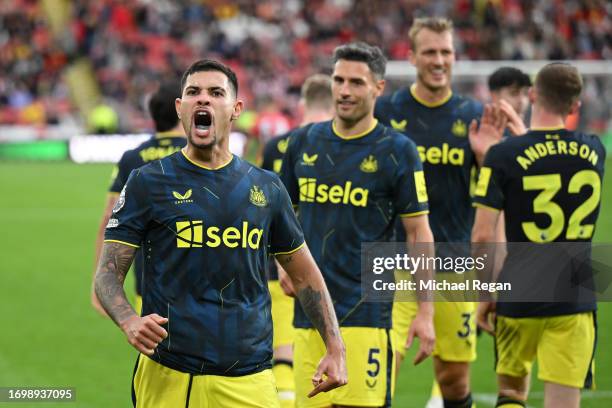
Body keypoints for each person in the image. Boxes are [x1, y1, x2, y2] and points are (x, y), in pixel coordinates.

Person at [94, 59, 347, 407]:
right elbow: (107, 274)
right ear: (180, 108)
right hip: (170, 374)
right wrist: (128, 320)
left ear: (235, 109)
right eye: (194, 92)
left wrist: (335, 347)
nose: (204, 100)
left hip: (249, 376)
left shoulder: (266, 188)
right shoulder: (148, 181)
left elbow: (305, 275)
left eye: (216, 93)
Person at [281, 42, 435, 408]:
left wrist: (426, 311)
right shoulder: (303, 142)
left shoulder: (398, 150)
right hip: (310, 313)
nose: (345, 91)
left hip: (366, 310)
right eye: (338, 80)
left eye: (356, 82)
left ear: (378, 88)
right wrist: (279, 264)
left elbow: (418, 232)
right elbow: (280, 219)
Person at [472, 62, 604, 408]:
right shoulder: (594, 150)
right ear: (575, 106)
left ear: (531, 95)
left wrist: (487, 291)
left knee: (512, 393)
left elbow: (483, 236)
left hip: (519, 295)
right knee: (563, 400)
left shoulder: (502, 156)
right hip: (575, 298)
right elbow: (550, 157)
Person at [375, 17, 487, 408]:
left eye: (446, 52)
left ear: (455, 57)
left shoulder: (474, 114)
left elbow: (495, 198)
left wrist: (487, 158)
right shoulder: (386, 113)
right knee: (380, 376)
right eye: (430, 52)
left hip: (456, 265)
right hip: (394, 264)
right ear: (412, 58)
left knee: (454, 382)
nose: (439, 60)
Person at [260, 73, 334, 408]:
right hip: (328, 260)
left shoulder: (277, 145)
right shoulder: (337, 145)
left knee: (286, 352)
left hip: (279, 259)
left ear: (303, 105)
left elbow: (262, 203)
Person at [91, 80, 186, 316]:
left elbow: (109, 220)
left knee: (153, 346)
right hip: (201, 283)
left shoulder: (132, 158)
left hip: (149, 282)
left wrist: (100, 283)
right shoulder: (201, 154)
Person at [488, 66, 531, 136]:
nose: (522, 100)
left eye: (525, 93)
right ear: (494, 95)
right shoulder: (477, 129)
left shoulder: (535, 129)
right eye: (514, 93)